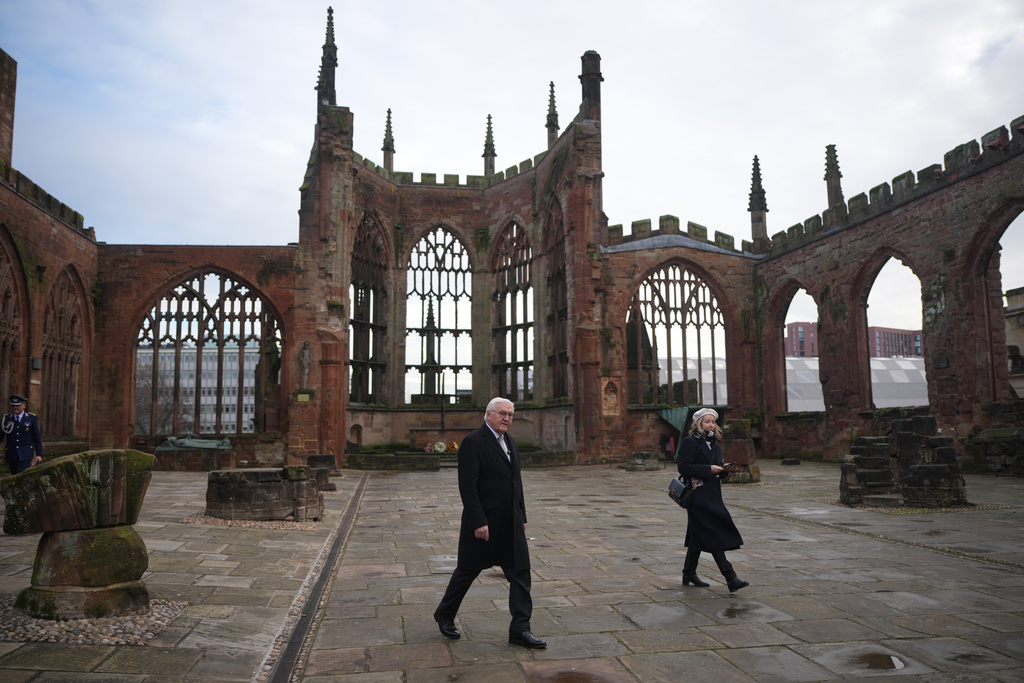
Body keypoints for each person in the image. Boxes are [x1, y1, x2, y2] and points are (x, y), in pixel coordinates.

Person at [433, 397, 546, 648]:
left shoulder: (510, 442)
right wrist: (478, 521)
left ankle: (520, 629)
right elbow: (468, 488)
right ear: (488, 415)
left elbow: (516, 483)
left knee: (520, 575)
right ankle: (445, 614)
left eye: (510, 415)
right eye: (502, 413)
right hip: (485, 523)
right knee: (467, 571)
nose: (506, 418)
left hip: (511, 522)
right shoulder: (473, 442)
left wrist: (522, 516)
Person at [675, 407, 749, 592]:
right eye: (706, 421)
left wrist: (722, 470)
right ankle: (730, 577)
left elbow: (716, 470)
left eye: (712, 421)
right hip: (697, 495)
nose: (710, 424)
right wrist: (709, 470)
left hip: (713, 495)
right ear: (699, 423)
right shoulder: (689, 442)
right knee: (712, 532)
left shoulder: (715, 444)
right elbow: (684, 467)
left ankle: (688, 572)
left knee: (698, 535)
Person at [2, 395, 44, 475]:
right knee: (13, 475)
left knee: (20, 475)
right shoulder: (7, 419)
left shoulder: (31, 418)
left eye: (17, 405)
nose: (15, 407)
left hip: (25, 454)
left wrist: (39, 454)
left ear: (24, 406)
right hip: (12, 453)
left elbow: (37, 437)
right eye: (13, 405)